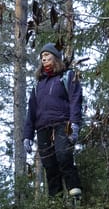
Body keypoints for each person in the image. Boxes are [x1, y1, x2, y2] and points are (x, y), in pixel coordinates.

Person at [23, 42, 83, 199]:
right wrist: (27, 136)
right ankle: (55, 201)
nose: (43, 58)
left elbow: (75, 100)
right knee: (49, 165)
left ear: (56, 58)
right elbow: (31, 111)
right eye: (42, 56)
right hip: (42, 128)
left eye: (47, 55)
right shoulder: (38, 84)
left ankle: (75, 190)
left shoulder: (67, 76)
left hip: (62, 124)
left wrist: (75, 124)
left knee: (63, 156)